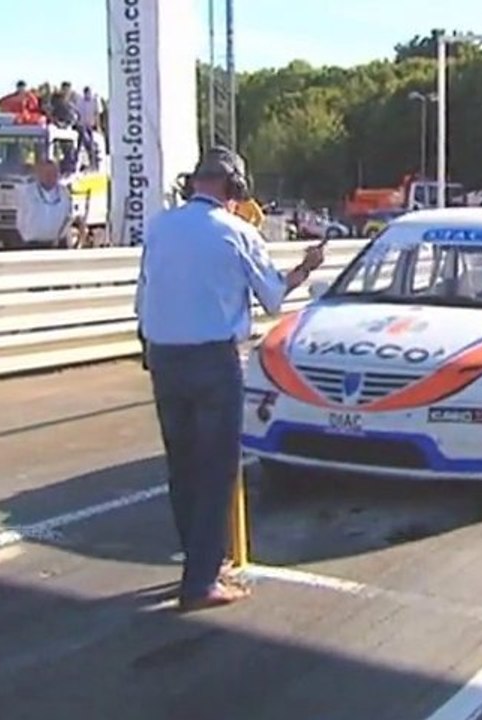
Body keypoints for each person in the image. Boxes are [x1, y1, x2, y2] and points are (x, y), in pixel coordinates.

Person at [135, 146, 325, 612]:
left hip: (163, 357)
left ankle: (201, 562)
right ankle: (201, 580)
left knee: (183, 468)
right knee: (217, 469)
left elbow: (143, 298)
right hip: (212, 360)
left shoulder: (159, 227)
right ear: (234, 189)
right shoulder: (238, 232)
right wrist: (306, 267)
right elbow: (275, 297)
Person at [14, 159, 77, 249]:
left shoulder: (64, 193)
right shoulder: (28, 192)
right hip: (33, 244)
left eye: (54, 173)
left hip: (58, 244)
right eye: (47, 173)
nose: (50, 177)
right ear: (39, 174)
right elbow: (21, 218)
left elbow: (68, 215)